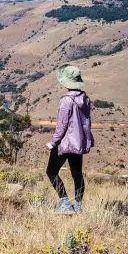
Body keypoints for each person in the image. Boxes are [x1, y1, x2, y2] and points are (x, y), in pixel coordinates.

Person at [46, 64, 94, 213]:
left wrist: (53, 143)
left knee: (51, 172)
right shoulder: (85, 98)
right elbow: (86, 122)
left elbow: (62, 125)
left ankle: (65, 203)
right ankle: (78, 206)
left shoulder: (66, 100)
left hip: (65, 143)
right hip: (78, 143)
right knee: (77, 174)